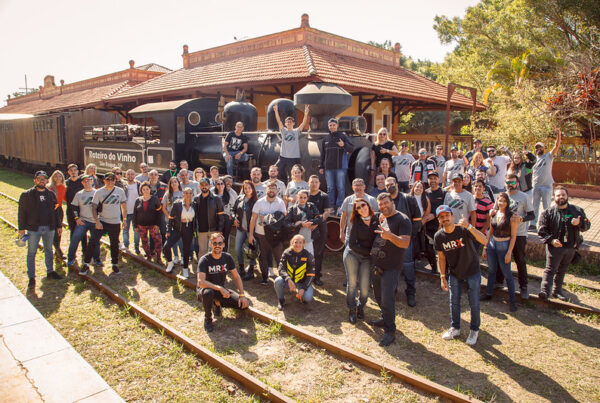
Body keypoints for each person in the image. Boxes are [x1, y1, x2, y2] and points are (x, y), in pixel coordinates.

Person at [434, 205, 488, 346]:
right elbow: (441, 257)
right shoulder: (439, 236)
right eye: (441, 217)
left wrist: (470, 226)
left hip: (472, 270)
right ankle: (455, 328)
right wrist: (442, 276)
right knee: (454, 301)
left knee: (474, 302)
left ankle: (474, 330)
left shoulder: (463, 229)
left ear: (452, 216)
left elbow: (484, 240)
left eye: (447, 215)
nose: (445, 218)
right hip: (454, 273)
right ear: (439, 220)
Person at [368, 193, 411, 347]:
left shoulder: (403, 220)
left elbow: (405, 243)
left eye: (386, 203)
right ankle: (384, 318)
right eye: (381, 204)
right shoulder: (382, 216)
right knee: (378, 296)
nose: (384, 206)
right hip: (376, 264)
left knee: (387, 299)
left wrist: (390, 236)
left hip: (391, 267)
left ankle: (390, 331)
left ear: (393, 202)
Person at [537, 186, 590, 300]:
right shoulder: (548, 213)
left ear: (567, 196)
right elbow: (541, 230)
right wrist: (551, 240)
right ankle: (545, 291)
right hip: (555, 247)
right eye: (558, 195)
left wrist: (579, 223)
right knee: (550, 269)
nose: (561, 197)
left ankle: (557, 291)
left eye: (563, 195)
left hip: (570, 247)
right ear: (554, 197)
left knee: (562, 270)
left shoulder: (577, 211)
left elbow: (587, 225)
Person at [18, 171, 63, 289]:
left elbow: (56, 211)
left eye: (44, 179)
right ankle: (31, 277)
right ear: (35, 181)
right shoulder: (26, 195)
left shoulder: (51, 194)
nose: (41, 181)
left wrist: (59, 225)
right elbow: (21, 213)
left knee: (49, 250)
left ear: (47, 181)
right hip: (34, 228)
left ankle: (50, 272)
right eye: (39, 179)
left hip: (49, 227)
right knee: (31, 252)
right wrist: (21, 229)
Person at [197, 232, 249, 332]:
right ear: (210, 244)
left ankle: (217, 303)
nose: (217, 246)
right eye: (214, 243)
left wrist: (242, 295)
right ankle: (208, 318)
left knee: (243, 305)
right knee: (209, 293)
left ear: (223, 245)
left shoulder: (227, 257)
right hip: (205, 291)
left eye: (220, 243)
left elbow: (236, 277)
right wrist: (220, 288)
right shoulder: (204, 260)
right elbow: (201, 282)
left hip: (219, 290)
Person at [384, 176, 422, 306]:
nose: (390, 186)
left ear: (397, 184)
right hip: (389, 240)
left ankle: (411, 293)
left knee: (408, 266)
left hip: (405, 240)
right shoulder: (385, 201)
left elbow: (417, 219)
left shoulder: (408, 199)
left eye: (392, 183)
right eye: (387, 185)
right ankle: (392, 290)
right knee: (391, 266)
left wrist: (409, 236)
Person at [80, 172, 127, 275]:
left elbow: (123, 206)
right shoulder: (99, 192)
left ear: (115, 180)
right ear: (104, 181)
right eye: (108, 180)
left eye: (113, 179)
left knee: (114, 244)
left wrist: (124, 220)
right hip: (102, 221)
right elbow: (93, 207)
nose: (110, 182)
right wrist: (97, 221)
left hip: (115, 222)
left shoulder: (120, 191)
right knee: (93, 242)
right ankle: (86, 263)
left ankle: (115, 264)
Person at [499, 173, 535, 298]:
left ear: (517, 183)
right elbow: (495, 210)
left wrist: (521, 219)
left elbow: (532, 215)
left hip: (519, 234)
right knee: (502, 258)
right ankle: (499, 282)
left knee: (519, 260)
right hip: (503, 233)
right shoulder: (501, 196)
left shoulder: (524, 197)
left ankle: (523, 287)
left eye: (512, 183)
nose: (510, 185)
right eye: (508, 183)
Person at [481, 193, 519, 311]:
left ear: (507, 203)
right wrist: (485, 247)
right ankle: (488, 293)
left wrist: (509, 253)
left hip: (504, 245)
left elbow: (513, 236)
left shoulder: (511, 216)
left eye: (503, 201)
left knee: (507, 273)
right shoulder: (494, 213)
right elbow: (490, 231)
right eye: (499, 200)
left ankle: (512, 300)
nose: (501, 203)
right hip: (492, 244)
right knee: (491, 270)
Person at [344, 198, 379, 323]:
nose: (361, 208)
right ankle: (352, 309)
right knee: (352, 284)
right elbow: (352, 244)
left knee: (365, 288)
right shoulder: (356, 222)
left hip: (367, 258)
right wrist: (369, 252)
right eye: (357, 208)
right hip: (352, 254)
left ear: (368, 205)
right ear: (356, 211)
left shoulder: (377, 218)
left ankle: (360, 306)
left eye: (363, 205)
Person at [248, 181, 287, 285]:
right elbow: (253, 219)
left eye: (274, 188)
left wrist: (267, 219)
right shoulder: (259, 202)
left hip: (275, 235)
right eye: (269, 188)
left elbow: (283, 218)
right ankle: (265, 278)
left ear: (277, 190)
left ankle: (283, 278)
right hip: (261, 234)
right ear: (266, 190)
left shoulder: (280, 203)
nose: (271, 190)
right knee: (263, 256)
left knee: (279, 257)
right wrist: (251, 235)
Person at [319, 118, 354, 211]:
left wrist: (343, 145)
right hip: (328, 168)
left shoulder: (343, 136)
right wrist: (321, 166)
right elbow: (322, 154)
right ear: (328, 127)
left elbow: (351, 149)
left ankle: (339, 206)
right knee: (330, 188)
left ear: (337, 126)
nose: (332, 127)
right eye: (330, 125)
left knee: (340, 187)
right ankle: (331, 206)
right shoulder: (325, 139)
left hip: (340, 167)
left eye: (334, 125)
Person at [67, 175, 101, 267]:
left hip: (95, 221)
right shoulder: (79, 194)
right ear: (82, 183)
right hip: (83, 221)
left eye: (88, 181)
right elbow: (73, 207)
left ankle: (97, 259)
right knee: (75, 238)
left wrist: (99, 219)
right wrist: (77, 218)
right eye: (85, 181)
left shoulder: (97, 193)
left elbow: (102, 207)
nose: (87, 183)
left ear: (92, 181)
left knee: (96, 242)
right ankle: (70, 258)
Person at [274, 234, 316, 310]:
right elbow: (281, 268)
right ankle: (281, 300)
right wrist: (288, 279)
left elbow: (311, 275)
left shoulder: (308, 256)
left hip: (302, 282)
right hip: (289, 281)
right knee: (277, 281)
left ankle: (302, 297)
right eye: (295, 242)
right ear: (292, 243)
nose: (298, 245)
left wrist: (304, 288)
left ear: (303, 244)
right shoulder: (286, 253)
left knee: (308, 298)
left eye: (300, 242)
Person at [532, 128, 562, 230]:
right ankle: (533, 224)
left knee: (546, 207)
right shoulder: (533, 160)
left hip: (546, 186)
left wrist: (559, 134)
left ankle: (547, 224)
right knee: (534, 206)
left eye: (540, 147)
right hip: (535, 186)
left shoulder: (548, 156)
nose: (538, 149)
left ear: (543, 148)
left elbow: (556, 146)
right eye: (536, 147)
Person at [164, 188, 196, 278]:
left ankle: (185, 268)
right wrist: (168, 230)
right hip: (178, 228)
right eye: (186, 193)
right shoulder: (177, 204)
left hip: (189, 228)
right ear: (183, 194)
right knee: (166, 246)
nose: (188, 195)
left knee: (186, 249)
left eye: (190, 193)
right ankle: (170, 263)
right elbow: (171, 218)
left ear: (192, 194)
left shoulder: (195, 205)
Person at [273, 102, 310, 182]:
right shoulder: (283, 131)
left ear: (293, 123)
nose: (289, 123)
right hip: (283, 157)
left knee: (291, 176)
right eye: (287, 122)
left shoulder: (296, 131)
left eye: (290, 122)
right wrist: (276, 111)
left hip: (293, 158)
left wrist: (306, 114)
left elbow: (303, 123)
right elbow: (279, 121)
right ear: (285, 124)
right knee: (274, 170)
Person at [307, 175, 331, 286]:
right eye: (312, 182)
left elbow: (327, 212)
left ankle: (316, 276)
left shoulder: (323, 196)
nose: (314, 184)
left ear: (319, 184)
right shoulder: (304, 195)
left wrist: (317, 222)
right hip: (306, 227)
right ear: (308, 183)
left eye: (316, 182)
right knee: (305, 252)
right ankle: (306, 275)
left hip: (320, 228)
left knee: (318, 253)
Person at [339, 178, 378, 245]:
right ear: (352, 187)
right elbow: (343, 217)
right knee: (348, 255)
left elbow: (376, 218)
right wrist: (341, 232)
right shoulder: (348, 200)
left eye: (360, 185)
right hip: (350, 234)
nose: (358, 187)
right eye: (356, 185)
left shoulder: (372, 200)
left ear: (364, 187)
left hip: (367, 236)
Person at [233, 180, 258, 279]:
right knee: (237, 248)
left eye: (249, 188)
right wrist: (234, 217)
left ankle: (251, 270)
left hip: (251, 229)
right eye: (245, 188)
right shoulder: (239, 198)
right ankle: (241, 267)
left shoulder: (256, 201)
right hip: (240, 228)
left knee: (252, 250)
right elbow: (233, 210)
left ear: (252, 189)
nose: (247, 190)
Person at [133, 181, 163, 264]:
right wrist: (135, 226)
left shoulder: (155, 199)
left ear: (150, 189)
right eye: (143, 189)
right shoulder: (138, 200)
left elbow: (159, 212)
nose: (145, 191)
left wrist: (157, 224)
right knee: (144, 241)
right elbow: (135, 213)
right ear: (141, 190)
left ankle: (158, 257)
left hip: (153, 225)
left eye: (147, 189)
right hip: (141, 225)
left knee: (158, 240)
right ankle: (149, 256)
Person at [193, 178, 225, 257]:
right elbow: (194, 216)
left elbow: (221, 216)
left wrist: (219, 230)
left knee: (214, 250)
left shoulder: (216, 198)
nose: (204, 187)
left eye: (206, 185)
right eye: (202, 185)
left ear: (210, 186)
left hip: (213, 230)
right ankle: (202, 267)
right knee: (202, 251)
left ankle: (214, 267)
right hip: (201, 230)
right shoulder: (196, 199)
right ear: (199, 186)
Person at [285, 190, 322, 255]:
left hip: (309, 238)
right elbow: (286, 224)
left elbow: (319, 218)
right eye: (301, 197)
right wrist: (299, 224)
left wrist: (310, 222)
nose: (302, 199)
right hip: (296, 240)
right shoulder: (292, 209)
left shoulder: (311, 206)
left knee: (310, 259)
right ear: (297, 197)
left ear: (307, 198)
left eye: (305, 198)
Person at [410, 182, 436, 272]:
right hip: (410, 225)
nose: (418, 189)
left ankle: (434, 268)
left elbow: (426, 214)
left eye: (421, 187)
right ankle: (411, 267)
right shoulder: (408, 198)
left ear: (423, 190)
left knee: (425, 246)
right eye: (417, 187)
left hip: (421, 225)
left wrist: (420, 224)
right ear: (413, 187)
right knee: (412, 247)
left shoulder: (425, 199)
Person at [424, 172, 446, 273]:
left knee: (443, 249)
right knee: (429, 249)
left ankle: (446, 270)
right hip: (428, 226)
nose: (432, 181)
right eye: (430, 179)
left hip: (440, 225)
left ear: (438, 179)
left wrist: (441, 224)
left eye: (434, 178)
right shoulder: (425, 192)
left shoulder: (443, 193)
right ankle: (434, 269)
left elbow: (445, 209)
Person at [162, 177, 184, 265]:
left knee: (181, 240)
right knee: (172, 239)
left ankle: (182, 256)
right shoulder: (167, 194)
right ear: (170, 185)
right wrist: (169, 216)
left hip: (180, 221)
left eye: (175, 182)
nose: (174, 184)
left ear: (178, 183)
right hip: (170, 221)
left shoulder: (182, 193)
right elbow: (163, 207)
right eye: (172, 183)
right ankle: (175, 256)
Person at [65, 164, 86, 255]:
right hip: (70, 211)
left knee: (83, 232)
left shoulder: (82, 182)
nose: (73, 172)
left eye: (75, 170)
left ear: (78, 171)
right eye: (71, 171)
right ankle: (73, 252)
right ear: (68, 172)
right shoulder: (66, 183)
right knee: (73, 232)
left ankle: (85, 251)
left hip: (82, 211)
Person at [213, 177, 237, 251]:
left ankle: (225, 253)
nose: (220, 185)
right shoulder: (212, 193)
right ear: (215, 185)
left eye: (221, 183)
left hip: (226, 218)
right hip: (215, 218)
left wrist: (231, 216)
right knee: (215, 237)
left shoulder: (229, 194)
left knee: (225, 237)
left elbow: (233, 207)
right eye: (218, 184)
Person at [47, 169, 67, 260]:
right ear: (53, 177)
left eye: (60, 176)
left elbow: (65, 199)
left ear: (62, 177)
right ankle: (57, 249)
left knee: (59, 230)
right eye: (56, 176)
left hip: (59, 210)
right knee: (51, 229)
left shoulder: (63, 187)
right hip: (50, 210)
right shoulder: (49, 187)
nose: (58, 178)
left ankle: (57, 247)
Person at [121, 169, 141, 254]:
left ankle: (136, 247)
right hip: (126, 212)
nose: (130, 176)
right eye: (128, 174)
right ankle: (126, 246)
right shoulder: (123, 185)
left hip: (136, 212)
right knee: (125, 230)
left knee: (136, 230)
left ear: (135, 175)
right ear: (125, 176)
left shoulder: (138, 185)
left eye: (132, 174)